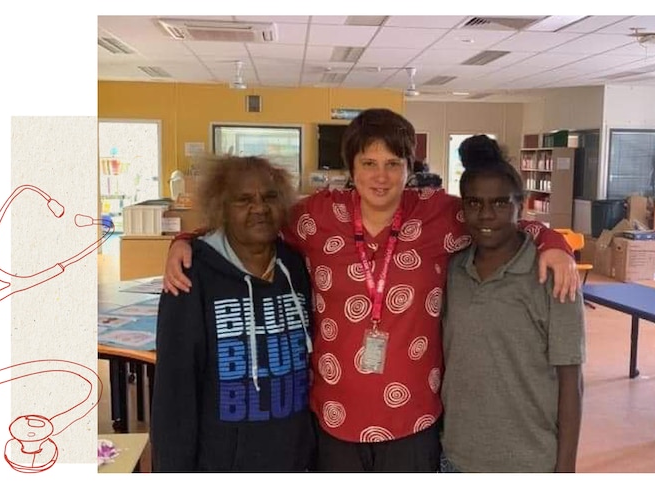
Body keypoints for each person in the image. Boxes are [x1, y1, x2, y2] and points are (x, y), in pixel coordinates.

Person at [162, 109, 579, 472]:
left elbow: (498, 215)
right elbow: (252, 220)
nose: (381, 176)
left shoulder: (439, 214)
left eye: (393, 163)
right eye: (369, 162)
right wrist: (188, 241)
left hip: (413, 418)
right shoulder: (316, 216)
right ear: (351, 167)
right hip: (334, 416)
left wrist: (554, 243)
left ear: (409, 167)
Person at [150, 156, 315, 472]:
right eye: (244, 200)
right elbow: (175, 393)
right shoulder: (191, 274)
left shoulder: (296, 266)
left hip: (293, 458)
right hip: (222, 461)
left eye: (269, 197)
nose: (259, 208)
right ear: (221, 208)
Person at [439, 136, 586, 472]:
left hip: (528, 460)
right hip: (456, 457)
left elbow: (570, 382)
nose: (486, 215)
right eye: (474, 203)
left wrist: (565, 471)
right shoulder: (452, 271)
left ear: (522, 206)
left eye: (501, 204)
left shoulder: (553, 277)